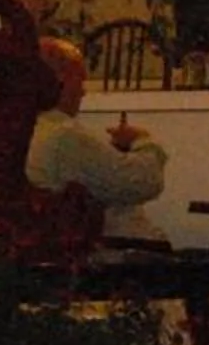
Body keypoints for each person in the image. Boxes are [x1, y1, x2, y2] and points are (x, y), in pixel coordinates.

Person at [24, 35, 167, 241]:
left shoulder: (14, 131)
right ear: (59, 80)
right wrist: (143, 142)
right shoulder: (63, 136)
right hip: (118, 252)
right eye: (80, 80)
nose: (83, 92)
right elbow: (142, 183)